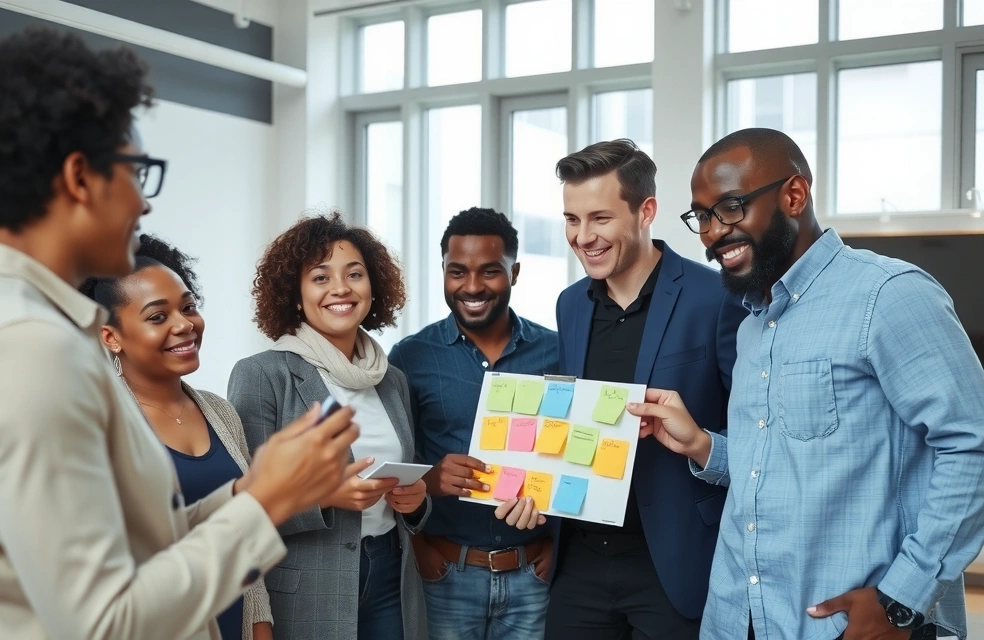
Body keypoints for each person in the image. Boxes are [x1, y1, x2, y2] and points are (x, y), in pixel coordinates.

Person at [0, 27, 357, 640]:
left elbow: (134, 542)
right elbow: (105, 622)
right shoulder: (28, 348)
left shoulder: (2, 312)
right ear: (79, 177)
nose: (144, 205)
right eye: (137, 172)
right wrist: (265, 505)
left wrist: (255, 487)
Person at [629, 127, 984, 640]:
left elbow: (972, 442)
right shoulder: (752, 325)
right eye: (702, 217)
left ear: (794, 195)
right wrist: (704, 447)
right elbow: (781, 468)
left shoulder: (887, 294)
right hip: (738, 617)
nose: (711, 233)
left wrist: (902, 597)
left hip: (846, 625)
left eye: (730, 208)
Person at [544, 139, 746, 639]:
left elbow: (759, 438)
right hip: (581, 560)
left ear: (646, 211)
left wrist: (700, 440)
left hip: (676, 561)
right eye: (572, 219)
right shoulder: (570, 305)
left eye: (600, 218)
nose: (583, 236)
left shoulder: (717, 297)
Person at [228, 212, 430, 640]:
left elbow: (409, 475)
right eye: (320, 278)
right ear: (296, 296)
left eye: (354, 274)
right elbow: (244, 504)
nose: (341, 288)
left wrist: (416, 501)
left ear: (373, 287)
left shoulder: (391, 379)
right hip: (307, 587)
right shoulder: (264, 375)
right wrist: (327, 496)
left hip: (391, 575)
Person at [80, 235, 275, 640]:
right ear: (110, 337)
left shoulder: (220, 412)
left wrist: (259, 628)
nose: (184, 324)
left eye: (188, 307)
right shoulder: (97, 425)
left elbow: (245, 541)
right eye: (157, 317)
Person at [388, 207, 559, 640]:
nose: (472, 286)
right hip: (445, 573)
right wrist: (421, 542)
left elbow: (576, 459)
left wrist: (559, 548)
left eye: (490, 272)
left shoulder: (559, 353)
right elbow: (394, 463)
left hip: (533, 576)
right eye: (457, 271)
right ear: (443, 272)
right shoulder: (411, 357)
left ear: (514, 273)